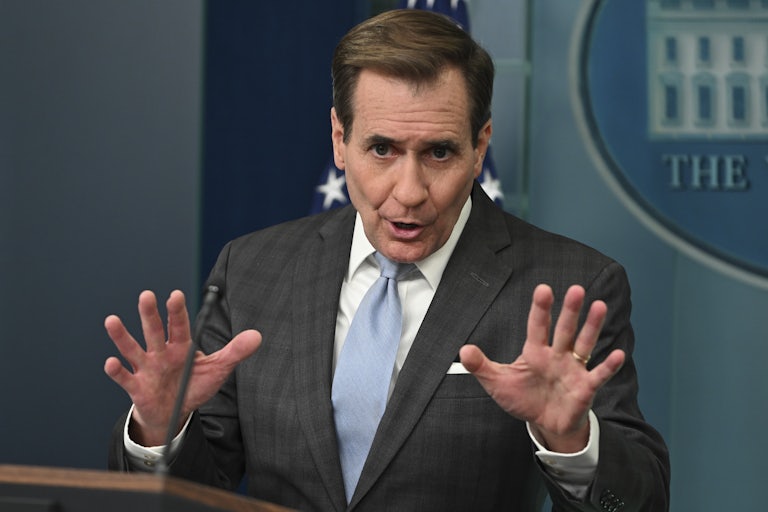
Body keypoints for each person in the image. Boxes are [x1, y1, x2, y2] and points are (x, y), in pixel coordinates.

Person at [104, 9, 669, 511]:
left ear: (480, 147)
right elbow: (198, 493)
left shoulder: (571, 286)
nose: (409, 192)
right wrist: (161, 430)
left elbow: (638, 504)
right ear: (339, 139)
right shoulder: (252, 269)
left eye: (439, 152)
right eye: (382, 149)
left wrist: (571, 443)